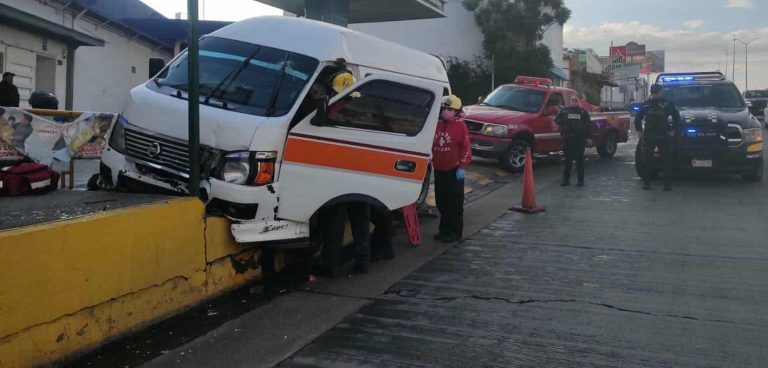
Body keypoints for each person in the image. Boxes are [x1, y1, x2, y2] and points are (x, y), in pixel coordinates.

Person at [432, 95, 471, 243]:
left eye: (450, 109)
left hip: (454, 170)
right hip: (439, 170)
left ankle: (455, 232)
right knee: (441, 202)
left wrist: (462, 166)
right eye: (444, 109)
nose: (446, 112)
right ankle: (444, 230)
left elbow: (466, 148)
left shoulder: (460, 126)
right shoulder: (437, 125)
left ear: (456, 111)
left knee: (454, 204)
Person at [635, 83, 681, 191]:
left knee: (664, 160)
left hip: (661, 135)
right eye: (654, 92)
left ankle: (665, 184)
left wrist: (673, 130)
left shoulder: (665, 104)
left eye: (656, 92)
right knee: (648, 160)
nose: (655, 94)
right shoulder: (647, 104)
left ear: (659, 92)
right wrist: (639, 131)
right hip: (652, 135)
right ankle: (648, 183)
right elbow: (637, 118)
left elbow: (677, 117)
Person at [556, 95, 592, 187]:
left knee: (580, 161)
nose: (574, 101)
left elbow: (588, 125)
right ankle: (566, 180)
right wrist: (562, 123)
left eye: (576, 100)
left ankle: (580, 181)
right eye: (572, 100)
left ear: (578, 101)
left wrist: (588, 138)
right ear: (570, 101)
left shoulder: (583, 112)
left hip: (579, 139)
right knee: (568, 160)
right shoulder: (565, 111)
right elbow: (557, 120)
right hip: (568, 138)